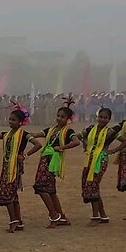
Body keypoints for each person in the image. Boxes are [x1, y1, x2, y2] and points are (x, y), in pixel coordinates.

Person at [0, 103, 40, 232]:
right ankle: (18, 222)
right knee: (13, 196)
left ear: (20, 122)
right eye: (10, 119)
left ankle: (13, 221)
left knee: (7, 193)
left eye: (14, 120)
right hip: (7, 166)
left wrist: (25, 155)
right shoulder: (7, 134)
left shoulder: (24, 135)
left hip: (14, 167)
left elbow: (37, 144)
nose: (10, 122)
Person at [34, 97, 80, 228]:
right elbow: (36, 134)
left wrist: (61, 147)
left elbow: (76, 142)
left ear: (68, 119)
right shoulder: (51, 130)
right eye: (58, 116)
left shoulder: (68, 131)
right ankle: (61, 216)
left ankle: (54, 216)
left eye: (62, 117)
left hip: (51, 162)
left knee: (41, 187)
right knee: (50, 190)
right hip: (44, 160)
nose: (59, 119)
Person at [80, 106, 121, 224]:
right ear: (97, 117)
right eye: (101, 117)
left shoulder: (110, 132)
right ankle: (103, 215)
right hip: (89, 159)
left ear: (109, 119)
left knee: (93, 184)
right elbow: (80, 136)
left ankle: (95, 216)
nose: (102, 120)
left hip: (100, 160)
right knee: (92, 185)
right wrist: (85, 144)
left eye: (105, 118)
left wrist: (112, 151)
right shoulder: (90, 128)